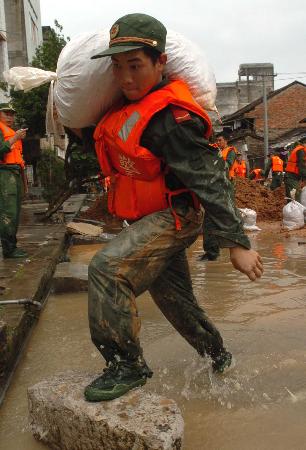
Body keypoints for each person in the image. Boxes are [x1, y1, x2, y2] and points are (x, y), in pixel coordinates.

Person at [84, 13, 263, 402]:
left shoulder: (171, 118)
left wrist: (237, 243)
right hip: (150, 218)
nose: (126, 77)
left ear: (159, 63)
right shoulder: (127, 107)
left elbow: (211, 178)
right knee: (175, 302)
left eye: (136, 66)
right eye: (117, 67)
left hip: (175, 216)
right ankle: (219, 358)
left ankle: (127, 365)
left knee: (106, 269)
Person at [0, 103, 28, 258]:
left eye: (12, 114)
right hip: (4, 174)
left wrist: (24, 182)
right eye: (6, 114)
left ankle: (12, 246)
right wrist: (15, 138)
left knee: (15, 212)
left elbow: (18, 159)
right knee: (8, 212)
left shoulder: (11, 131)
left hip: (15, 173)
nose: (10, 117)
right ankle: (9, 249)